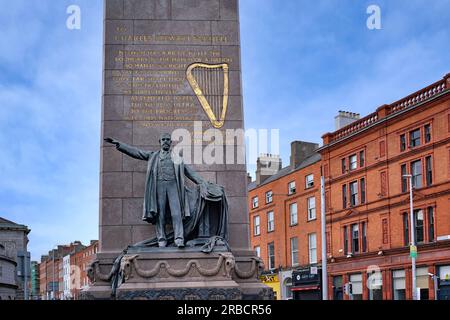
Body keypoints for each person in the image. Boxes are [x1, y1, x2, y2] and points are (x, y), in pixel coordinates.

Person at [104, 133, 207, 248]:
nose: (166, 141)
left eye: (168, 140)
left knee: (176, 214)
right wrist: (119, 144)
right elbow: (137, 152)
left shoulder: (177, 158)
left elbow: (189, 173)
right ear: (160, 142)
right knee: (160, 214)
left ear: (171, 142)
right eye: (163, 139)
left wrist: (203, 183)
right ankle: (161, 239)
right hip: (159, 187)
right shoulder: (153, 156)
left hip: (174, 186)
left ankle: (179, 238)